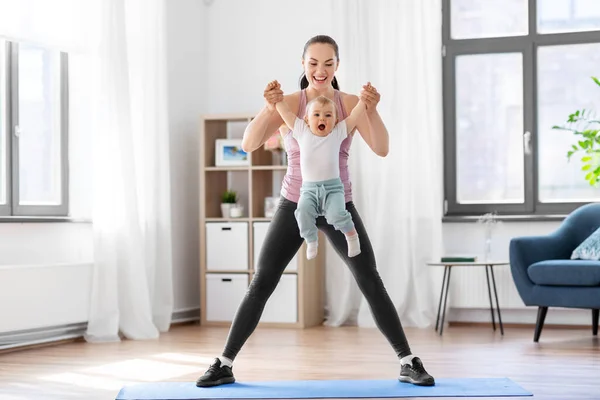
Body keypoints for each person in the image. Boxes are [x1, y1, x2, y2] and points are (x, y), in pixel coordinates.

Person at [196, 34, 435, 388]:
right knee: (263, 280)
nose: (320, 70)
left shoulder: (350, 102)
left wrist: (371, 108)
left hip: (339, 202)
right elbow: (248, 144)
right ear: (303, 65)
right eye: (313, 63)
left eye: (328, 63)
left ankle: (407, 360)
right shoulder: (289, 104)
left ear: (337, 66)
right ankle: (224, 363)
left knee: (368, 277)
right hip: (296, 202)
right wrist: (269, 105)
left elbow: (382, 148)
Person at [273, 81, 366, 260]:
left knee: (337, 215)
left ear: (336, 120)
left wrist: (363, 100)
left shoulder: (338, 132)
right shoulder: (301, 130)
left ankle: (352, 236)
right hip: (308, 189)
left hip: (333, 188)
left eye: (328, 115)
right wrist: (277, 98)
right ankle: (311, 240)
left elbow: (354, 116)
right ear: (307, 119)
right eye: (316, 115)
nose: (322, 118)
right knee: (302, 213)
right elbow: (285, 112)